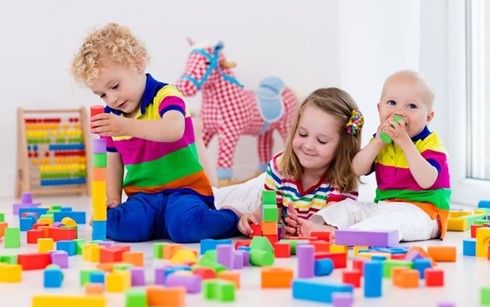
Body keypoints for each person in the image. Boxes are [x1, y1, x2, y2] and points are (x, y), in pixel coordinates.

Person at [71, 23, 240, 243]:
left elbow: (174, 129)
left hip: (185, 191)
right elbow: (113, 160)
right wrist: (112, 200)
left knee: (185, 227)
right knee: (120, 226)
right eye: (102, 94)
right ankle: (156, 224)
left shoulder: (166, 95)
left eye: (114, 86)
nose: (111, 99)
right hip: (143, 197)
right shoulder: (113, 115)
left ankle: (232, 217)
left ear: (137, 63)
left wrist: (124, 127)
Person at [294, 70, 451, 242]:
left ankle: (345, 237)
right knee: (348, 207)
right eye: (392, 103)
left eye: (411, 106)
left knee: (390, 222)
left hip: (423, 214)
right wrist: (377, 143)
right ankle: (317, 227)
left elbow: (426, 180)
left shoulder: (431, 144)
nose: (399, 112)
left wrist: (405, 144)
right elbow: (358, 169)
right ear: (379, 109)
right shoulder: (381, 140)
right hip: (384, 206)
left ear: (428, 117)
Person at [237, 87, 364, 237]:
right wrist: (254, 219)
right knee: (226, 201)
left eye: (321, 141)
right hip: (259, 187)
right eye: (302, 134)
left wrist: (300, 229)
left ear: (343, 147)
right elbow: (270, 214)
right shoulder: (279, 166)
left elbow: (329, 228)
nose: (308, 145)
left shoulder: (343, 178)